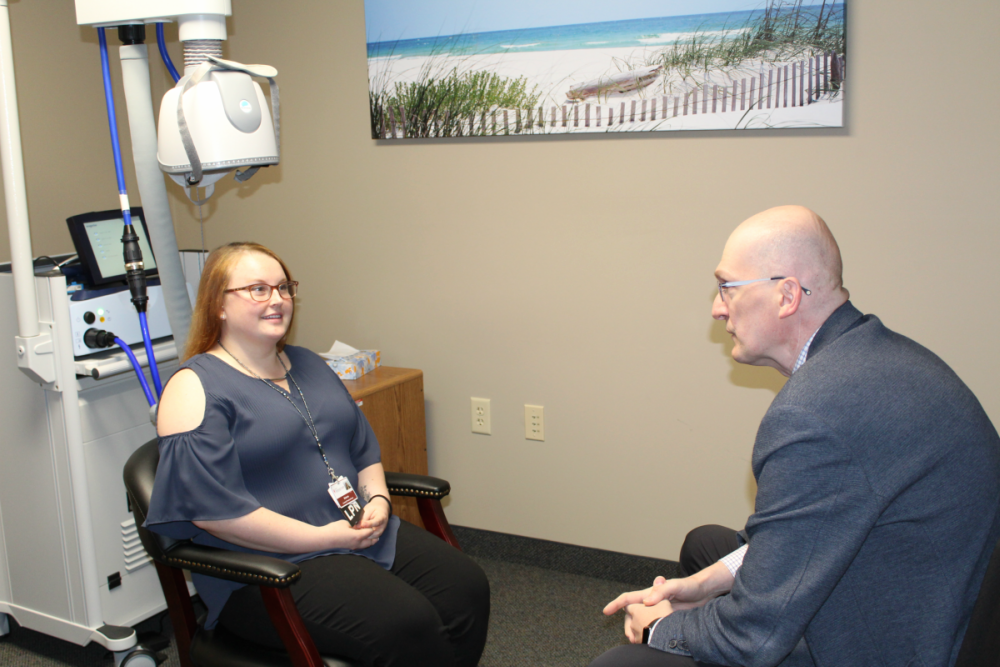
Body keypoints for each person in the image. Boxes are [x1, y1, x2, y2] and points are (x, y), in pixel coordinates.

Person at [592, 206, 1000, 667]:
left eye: (727, 287)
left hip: (900, 641)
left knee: (621, 665)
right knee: (705, 546)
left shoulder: (815, 415)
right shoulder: (872, 354)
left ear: (787, 295)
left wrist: (660, 628)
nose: (716, 306)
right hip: (927, 592)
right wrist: (704, 586)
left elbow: (752, 639)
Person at [145, 242, 490, 667]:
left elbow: (362, 449)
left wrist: (379, 500)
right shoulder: (194, 387)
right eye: (257, 289)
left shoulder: (308, 364)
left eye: (283, 287)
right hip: (265, 569)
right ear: (218, 304)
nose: (277, 299)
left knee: (466, 588)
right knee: (407, 623)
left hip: (355, 534)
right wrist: (326, 538)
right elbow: (212, 513)